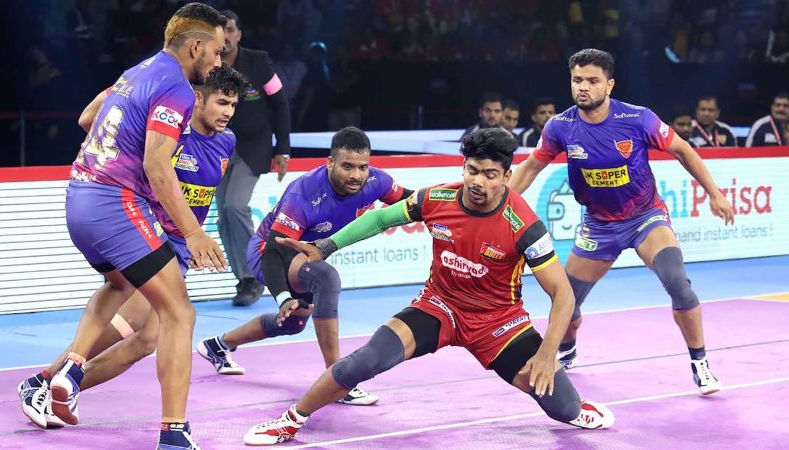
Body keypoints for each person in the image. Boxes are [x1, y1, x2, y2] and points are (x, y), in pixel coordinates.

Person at [242, 128, 614, 446]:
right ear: (463, 168)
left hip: (498, 323)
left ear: (506, 175)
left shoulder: (524, 224)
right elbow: (380, 220)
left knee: (564, 408)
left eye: (489, 174)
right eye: (472, 171)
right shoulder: (436, 198)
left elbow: (562, 293)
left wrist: (547, 354)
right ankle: (290, 420)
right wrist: (326, 246)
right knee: (365, 361)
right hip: (439, 307)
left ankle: (574, 403)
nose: (478, 182)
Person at [18, 65, 247, 431]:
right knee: (138, 319)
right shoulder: (168, 128)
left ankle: (48, 384)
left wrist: (192, 237)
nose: (228, 112)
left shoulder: (227, 141)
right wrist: (130, 88)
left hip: (179, 246)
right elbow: (89, 119)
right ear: (197, 98)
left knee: (146, 340)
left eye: (233, 105)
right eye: (221, 102)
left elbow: (198, 195)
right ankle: (50, 381)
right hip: (146, 233)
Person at [45, 4, 227, 449]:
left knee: (118, 284)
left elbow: (87, 120)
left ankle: (72, 366)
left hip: (78, 196)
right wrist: (194, 232)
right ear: (196, 46)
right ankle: (173, 434)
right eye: (218, 51)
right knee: (179, 313)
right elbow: (157, 166)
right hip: (113, 204)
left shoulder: (135, 72)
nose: (219, 61)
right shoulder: (177, 88)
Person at [508, 49, 734, 396]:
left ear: (609, 85)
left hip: (645, 218)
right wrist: (501, 205)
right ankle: (568, 348)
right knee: (566, 304)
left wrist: (715, 194)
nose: (583, 87)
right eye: (577, 80)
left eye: (592, 81)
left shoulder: (638, 118)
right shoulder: (560, 126)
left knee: (677, 282)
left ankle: (700, 363)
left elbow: (683, 150)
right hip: (599, 226)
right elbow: (530, 167)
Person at [196, 127, 412, 406]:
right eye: (347, 166)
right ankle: (338, 381)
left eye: (362, 167)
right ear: (330, 162)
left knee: (294, 324)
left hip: (307, 255)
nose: (356, 175)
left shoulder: (377, 181)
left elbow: (412, 202)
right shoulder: (304, 194)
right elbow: (274, 250)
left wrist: (449, 202)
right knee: (326, 278)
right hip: (269, 252)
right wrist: (282, 297)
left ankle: (217, 345)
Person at [217, 9, 291, 306]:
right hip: (217, 148)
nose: (225, 36)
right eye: (219, 31)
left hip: (253, 146)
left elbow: (280, 103)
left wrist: (282, 149)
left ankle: (258, 271)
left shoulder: (258, 63)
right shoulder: (207, 65)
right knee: (223, 215)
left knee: (235, 205)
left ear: (238, 34)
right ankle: (245, 280)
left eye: (230, 30)